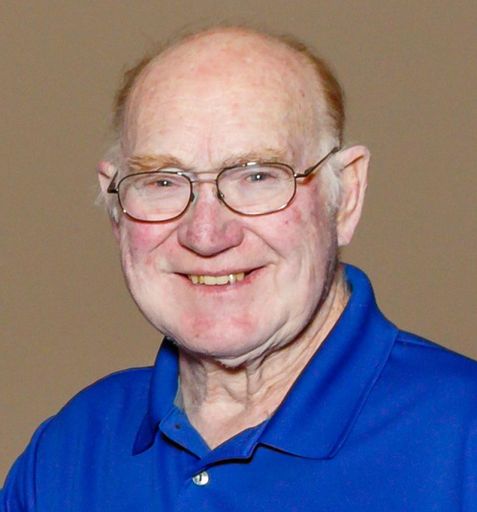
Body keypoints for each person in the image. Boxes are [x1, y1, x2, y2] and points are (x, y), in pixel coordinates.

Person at [2, 26, 477, 511]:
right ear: (117, 208)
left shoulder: (464, 441)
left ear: (346, 197)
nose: (206, 234)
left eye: (258, 176)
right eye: (162, 181)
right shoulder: (71, 453)